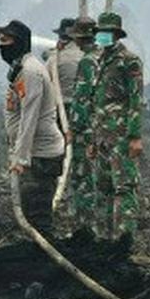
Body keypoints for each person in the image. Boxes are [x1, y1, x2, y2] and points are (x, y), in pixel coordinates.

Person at [74, 12, 143, 238]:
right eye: (101, 32)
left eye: (108, 32)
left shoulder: (129, 61)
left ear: (116, 34)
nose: (103, 36)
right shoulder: (99, 61)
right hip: (101, 135)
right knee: (102, 189)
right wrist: (92, 140)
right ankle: (103, 241)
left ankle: (123, 241)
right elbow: (95, 102)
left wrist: (134, 136)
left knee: (124, 188)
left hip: (121, 136)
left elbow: (136, 99)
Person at [0, 19, 66, 237]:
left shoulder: (30, 72)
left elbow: (30, 117)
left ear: (19, 43)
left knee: (38, 216)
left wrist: (21, 158)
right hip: (34, 154)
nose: (1, 45)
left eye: (5, 40)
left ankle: (46, 259)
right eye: (0, 40)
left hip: (41, 156)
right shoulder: (22, 68)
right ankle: (36, 255)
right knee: (30, 213)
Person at [63, 17, 97, 217]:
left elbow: (82, 100)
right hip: (104, 128)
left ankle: (84, 221)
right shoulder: (104, 57)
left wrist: (73, 129)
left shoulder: (86, 61)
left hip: (85, 132)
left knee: (81, 176)